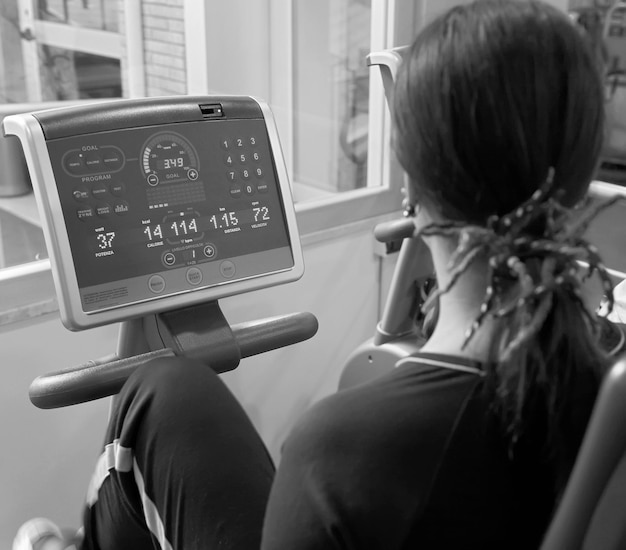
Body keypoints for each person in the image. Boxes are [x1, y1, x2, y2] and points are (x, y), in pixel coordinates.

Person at [14, 1, 626, 549]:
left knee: (150, 395)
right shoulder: (604, 391)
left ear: (413, 188)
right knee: (170, 384)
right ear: (577, 181)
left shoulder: (344, 450)